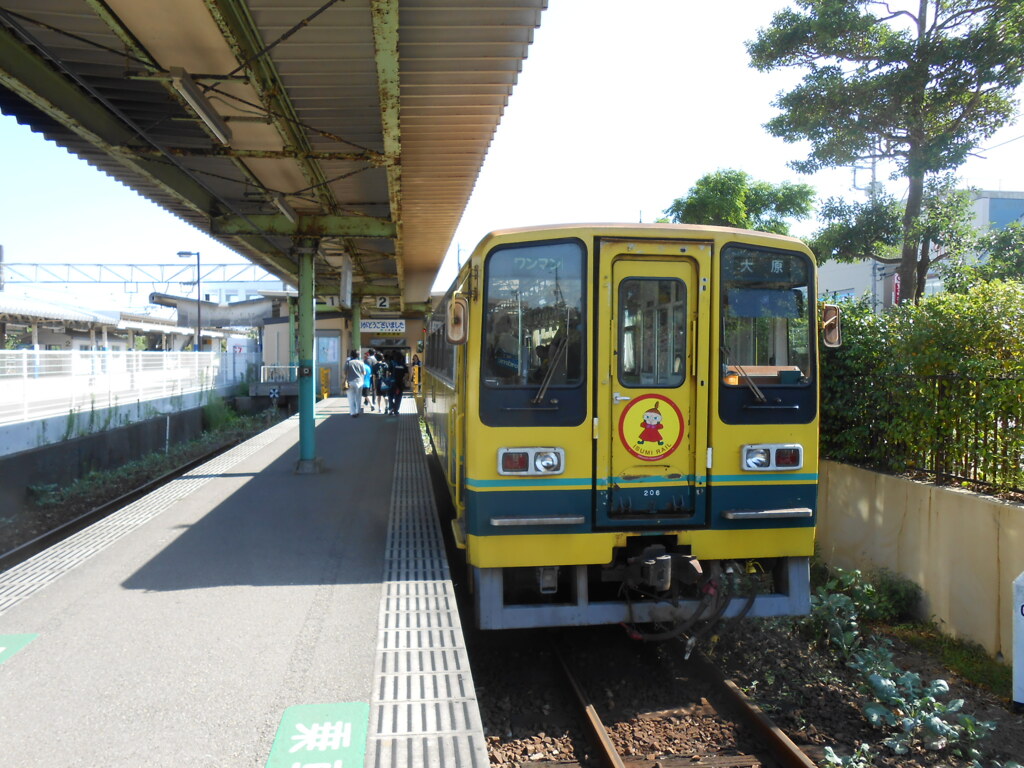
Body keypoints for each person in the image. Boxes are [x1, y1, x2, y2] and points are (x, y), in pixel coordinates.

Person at [344, 350, 367, 417]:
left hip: (350, 381)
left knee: (351, 398)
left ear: (351, 355)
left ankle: (353, 412)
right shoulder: (361, 363)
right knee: (358, 397)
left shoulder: (348, 362)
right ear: (358, 355)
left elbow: (345, 372)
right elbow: (364, 373)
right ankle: (358, 411)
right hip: (360, 382)